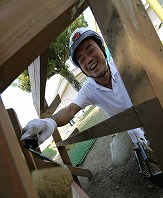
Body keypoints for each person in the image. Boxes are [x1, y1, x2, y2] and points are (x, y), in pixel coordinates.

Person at [21, 27, 148, 165]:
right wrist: (50, 122)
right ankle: (128, 139)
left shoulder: (121, 65)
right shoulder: (89, 89)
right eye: (81, 59)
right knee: (118, 159)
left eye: (91, 50)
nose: (88, 59)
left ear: (102, 48)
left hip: (147, 112)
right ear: (81, 68)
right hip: (126, 126)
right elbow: (70, 109)